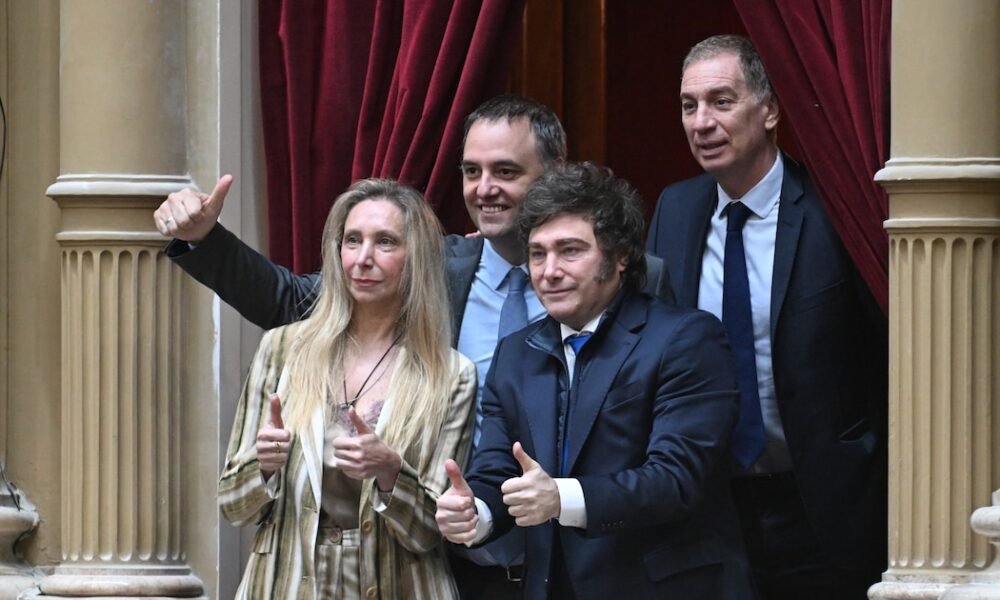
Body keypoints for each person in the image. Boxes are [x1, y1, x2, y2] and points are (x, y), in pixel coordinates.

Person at [157, 95, 672, 598]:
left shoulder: (629, 277)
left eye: (506, 171)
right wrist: (207, 239)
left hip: (590, 561)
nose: (485, 189)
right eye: (471, 171)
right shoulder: (434, 266)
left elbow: (661, 409)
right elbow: (293, 299)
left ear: (555, 170)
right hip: (452, 556)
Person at [435, 162, 754, 600]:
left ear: (620, 255)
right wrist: (476, 512)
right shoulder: (516, 352)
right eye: (537, 254)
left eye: (570, 251)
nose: (548, 271)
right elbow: (498, 470)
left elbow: (675, 479)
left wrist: (559, 498)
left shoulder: (686, 338)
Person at [645, 35, 888, 599]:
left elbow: (883, 349)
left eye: (721, 101)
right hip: (709, 511)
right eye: (688, 106)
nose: (701, 123)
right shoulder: (675, 209)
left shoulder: (832, 207)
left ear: (770, 110)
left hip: (825, 509)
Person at [218, 179, 477, 599]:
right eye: (352, 240)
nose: (363, 258)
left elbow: (430, 533)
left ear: (417, 258)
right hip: (287, 583)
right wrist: (261, 465)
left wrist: (391, 472)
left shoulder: (450, 374)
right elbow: (232, 504)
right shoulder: (282, 349)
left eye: (385, 242)